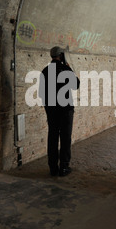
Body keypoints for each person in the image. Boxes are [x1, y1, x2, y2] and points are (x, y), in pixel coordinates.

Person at [40, 46, 80, 177]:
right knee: (65, 138)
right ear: (61, 56)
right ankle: (64, 167)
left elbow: (41, 93)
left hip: (51, 110)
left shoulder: (45, 71)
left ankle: (53, 168)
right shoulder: (65, 69)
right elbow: (76, 85)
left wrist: (48, 109)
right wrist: (69, 68)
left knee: (52, 137)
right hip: (66, 110)